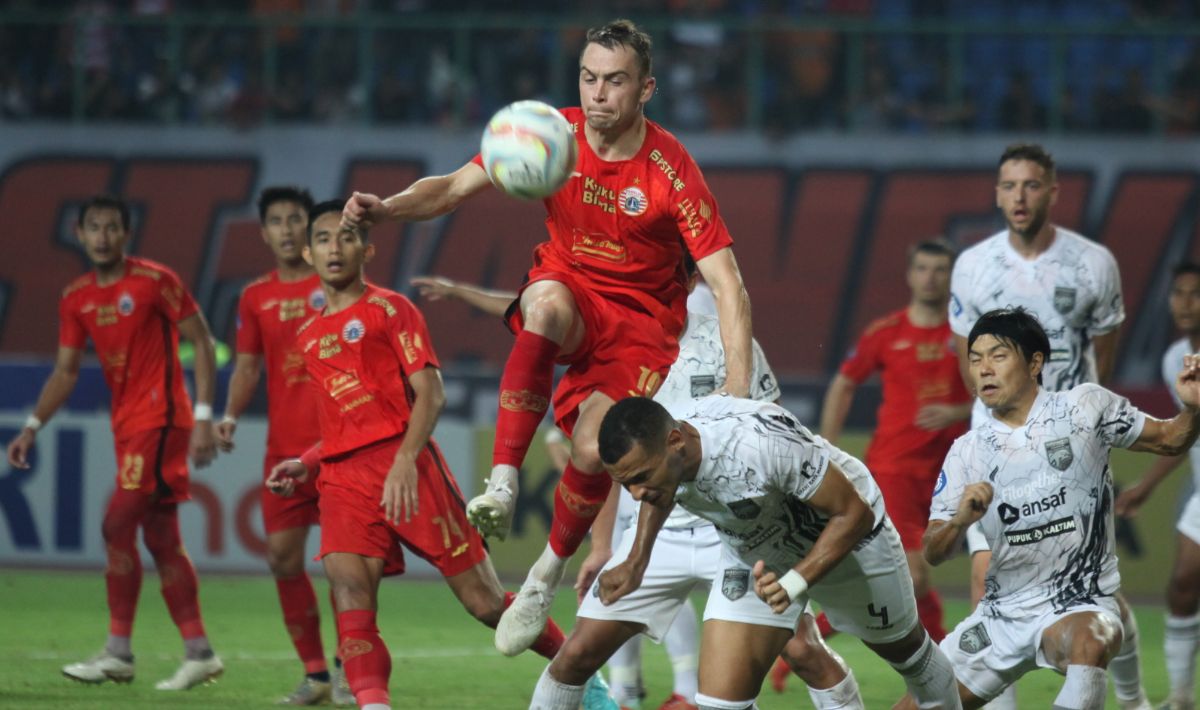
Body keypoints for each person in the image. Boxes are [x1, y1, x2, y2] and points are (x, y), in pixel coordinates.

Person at [342, 18, 753, 657]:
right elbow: (451, 189)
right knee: (546, 303)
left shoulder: (672, 172)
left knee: (592, 449)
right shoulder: (544, 136)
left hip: (644, 325)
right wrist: (388, 208)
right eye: (589, 78)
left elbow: (729, 287)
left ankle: (543, 575)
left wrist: (735, 396)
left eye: (615, 82)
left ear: (645, 90)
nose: (597, 94)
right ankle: (503, 481)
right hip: (571, 285)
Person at [266, 202, 572, 710]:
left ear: (366, 249)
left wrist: (406, 459)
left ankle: (581, 670)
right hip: (342, 482)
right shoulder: (309, 336)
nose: (333, 248)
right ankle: (374, 704)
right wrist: (309, 461)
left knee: (486, 604)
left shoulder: (391, 310)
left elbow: (430, 394)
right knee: (349, 599)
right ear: (307, 253)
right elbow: (342, 425)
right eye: (321, 240)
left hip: (406, 468)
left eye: (344, 238)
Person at [594, 395, 963, 710]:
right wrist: (636, 561)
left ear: (676, 440)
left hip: (852, 542)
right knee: (719, 703)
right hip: (755, 558)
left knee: (912, 657)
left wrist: (794, 582)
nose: (636, 495)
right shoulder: (664, 456)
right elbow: (658, 493)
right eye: (626, 484)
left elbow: (854, 514)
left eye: (641, 478)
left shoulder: (758, 446)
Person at [913, 308, 1200, 710]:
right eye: (975, 359)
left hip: (1079, 602)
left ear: (1035, 363)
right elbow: (933, 551)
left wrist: (1193, 409)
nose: (984, 369)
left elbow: (1170, 439)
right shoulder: (966, 451)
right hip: (1000, 617)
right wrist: (960, 520)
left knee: (1092, 639)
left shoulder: (1085, 407)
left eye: (998, 355)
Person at [948, 143, 1148, 710]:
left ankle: (1133, 699)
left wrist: (1082, 429)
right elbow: (966, 358)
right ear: (996, 192)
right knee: (990, 587)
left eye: (1032, 185)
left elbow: (1103, 359)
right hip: (995, 448)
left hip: (1071, 452)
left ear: (1053, 191)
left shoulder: (1092, 264)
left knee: (1093, 590)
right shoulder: (974, 266)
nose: (1019, 196)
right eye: (1009, 185)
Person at [5, 195, 224, 690]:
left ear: (126, 235)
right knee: (161, 536)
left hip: (163, 417)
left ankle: (118, 651)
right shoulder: (75, 297)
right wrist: (32, 427)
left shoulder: (153, 282)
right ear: (79, 235)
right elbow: (65, 372)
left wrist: (206, 416)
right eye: (94, 228)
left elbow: (204, 341)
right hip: (127, 426)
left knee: (116, 521)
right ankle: (199, 652)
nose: (103, 236)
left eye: (112, 228)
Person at [215, 186, 351, 705]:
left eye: (298, 219)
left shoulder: (339, 283)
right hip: (283, 451)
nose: (289, 229)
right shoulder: (255, 297)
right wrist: (228, 415)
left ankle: (344, 668)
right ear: (265, 232)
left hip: (338, 447)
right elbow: (247, 365)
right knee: (281, 557)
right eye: (278, 221)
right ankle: (315, 674)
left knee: (346, 565)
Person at [814, 240, 970, 645]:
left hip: (950, 471)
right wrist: (827, 448)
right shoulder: (886, 332)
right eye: (922, 268)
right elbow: (844, 382)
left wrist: (956, 412)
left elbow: (996, 392)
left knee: (910, 576)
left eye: (940, 269)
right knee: (914, 573)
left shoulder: (968, 335)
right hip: (895, 467)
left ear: (953, 277)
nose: (930, 278)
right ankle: (941, 662)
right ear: (909, 275)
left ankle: (811, 636)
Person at [1116, 262, 1200, 710]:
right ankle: (1183, 696)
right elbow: (1187, 433)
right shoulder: (1175, 360)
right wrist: (1147, 484)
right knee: (1183, 584)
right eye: (1178, 293)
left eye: (1195, 293)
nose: (1185, 303)